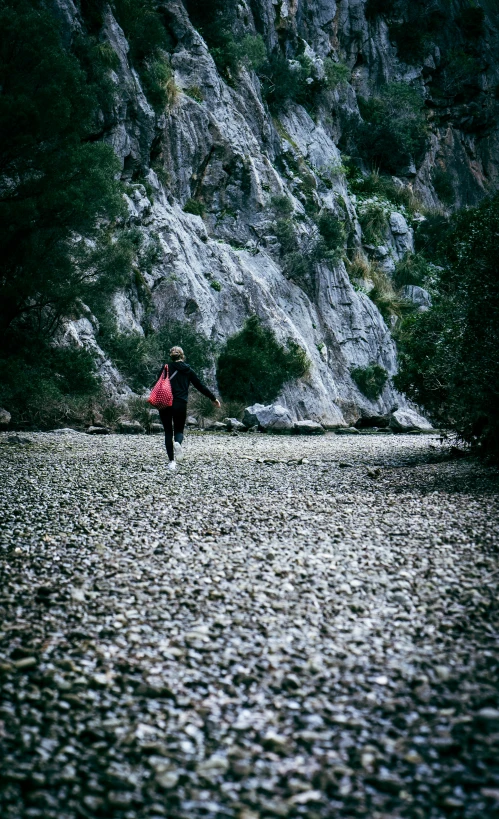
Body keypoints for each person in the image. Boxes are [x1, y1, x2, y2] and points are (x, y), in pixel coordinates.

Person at [156, 346, 221, 471]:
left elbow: (157, 384)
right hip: (180, 403)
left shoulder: (166, 368)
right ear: (182, 356)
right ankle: (178, 443)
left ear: (171, 356)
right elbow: (200, 386)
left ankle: (171, 462)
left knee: (168, 432)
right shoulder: (188, 370)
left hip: (165, 402)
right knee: (179, 430)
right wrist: (213, 398)